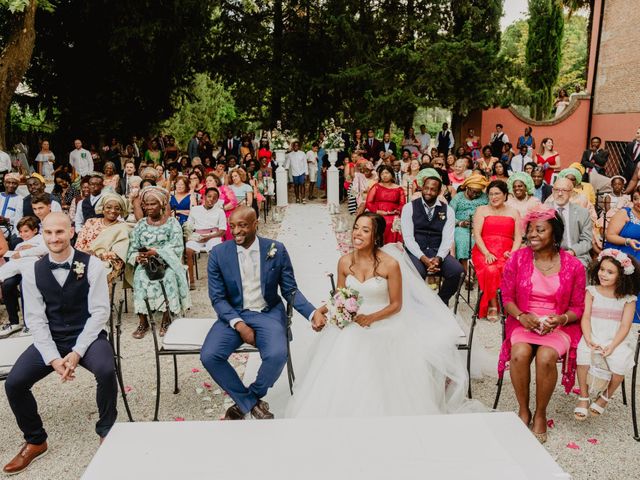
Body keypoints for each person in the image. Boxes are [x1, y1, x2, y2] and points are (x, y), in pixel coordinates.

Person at [286, 212, 478, 418]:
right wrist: (321, 311)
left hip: (384, 320)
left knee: (368, 347)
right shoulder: (344, 262)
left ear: (376, 236)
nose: (357, 233)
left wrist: (371, 318)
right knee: (346, 343)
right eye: (356, 228)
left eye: (365, 230)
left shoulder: (390, 264)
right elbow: (340, 296)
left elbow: (396, 304)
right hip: (353, 320)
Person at [2, 213, 115, 475]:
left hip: (86, 334)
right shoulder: (32, 271)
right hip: (51, 337)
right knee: (15, 383)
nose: (54, 238)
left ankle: (107, 431)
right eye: (49, 233)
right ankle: (35, 440)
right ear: (43, 234)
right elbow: (35, 320)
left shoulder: (93, 265)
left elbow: (99, 313)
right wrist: (53, 359)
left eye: (60, 232)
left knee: (107, 371)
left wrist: (76, 353)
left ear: (71, 231)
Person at [200, 206, 326, 420]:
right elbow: (218, 298)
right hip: (233, 314)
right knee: (210, 356)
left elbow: (290, 289)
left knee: (277, 354)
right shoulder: (219, 254)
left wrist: (313, 313)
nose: (236, 231)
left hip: (267, 313)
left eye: (243, 225)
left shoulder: (276, 249)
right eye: (232, 226)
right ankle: (251, 403)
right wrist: (240, 325)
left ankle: (250, 398)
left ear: (255, 224)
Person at [499, 205, 585, 444]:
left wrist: (559, 319)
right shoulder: (518, 259)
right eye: (530, 230)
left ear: (555, 234)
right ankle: (524, 409)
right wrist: (522, 316)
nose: (532, 235)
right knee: (519, 352)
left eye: (540, 230)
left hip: (558, 325)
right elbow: (506, 298)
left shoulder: (574, 266)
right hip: (523, 320)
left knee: (547, 357)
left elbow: (577, 308)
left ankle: (540, 413)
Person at [574, 249, 640, 420]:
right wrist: (588, 338)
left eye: (610, 272)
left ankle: (605, 396)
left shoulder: (628, 298)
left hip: (616, 339)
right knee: (583, 354)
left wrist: (612, 346)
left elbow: (625, 326)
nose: (603, 274)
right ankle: (584, 395)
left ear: (622, 276)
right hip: (593, 334)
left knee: (620, 362)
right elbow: (586, 317)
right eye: (602, 269)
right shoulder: (592, 291)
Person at [127, 187, 191, 339]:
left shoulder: (172, 223)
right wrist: (138, 257)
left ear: (162, 204)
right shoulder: (141, 224)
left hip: (167, 263)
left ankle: (166, 319)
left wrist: (157, 252)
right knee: (140, 276)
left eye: (153, 204)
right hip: (146, 264)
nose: (148, 208)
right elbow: (133, 247)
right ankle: (143, 321)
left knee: (168, 277)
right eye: (146, 205)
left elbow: (176, 247)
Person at [400, 170, 463, 306]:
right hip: (416, 252)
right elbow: (408, 238)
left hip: (437, 251)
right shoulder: (409, 208)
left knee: (457, 271)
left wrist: (438, 258)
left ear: (439, 192)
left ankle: (440, 302)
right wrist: (423, 258)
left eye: (433, 189)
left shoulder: (448, 210)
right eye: (426, 188)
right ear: (422, 187)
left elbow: (447, 239)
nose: (428, 192)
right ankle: (417, 304)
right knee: (417, 272)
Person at [472, 180, 522, 321]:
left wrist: (512, 253)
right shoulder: (481, 210)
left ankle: (508, 304)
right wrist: (486, 253)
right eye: (491, 194)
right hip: (484, 250)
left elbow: (518, 237)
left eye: (497, 194)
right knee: (491, 270)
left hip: (506, 250)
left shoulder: (514, 212)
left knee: (508, 267)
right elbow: (477, 235)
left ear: (505, 195)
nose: (493, 197)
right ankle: (493, 304)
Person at [74, 193, 131, 284]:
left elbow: (119, 252)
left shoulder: (123, 227)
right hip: (84, 258)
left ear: (120, 211)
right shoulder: (90, 222)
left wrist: (97, 255)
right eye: (108, 207)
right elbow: (79, 244)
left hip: (107, 263)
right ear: (103, 209)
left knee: (98, 273)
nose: (112, 211)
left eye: (117, 208)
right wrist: (85, 256)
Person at [184, 187, 226, 289]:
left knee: (215, 250)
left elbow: (222, 231)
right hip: (197, 236)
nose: (211, 199)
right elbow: (189, 226)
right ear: (204, 196)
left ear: (217, 200)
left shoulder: (220, 212)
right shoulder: (195, 209)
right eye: (209, 196)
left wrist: (208, 237)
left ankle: (215, 279)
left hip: (213, 236)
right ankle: (192, 281)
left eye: (215, 198)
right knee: (188, 250)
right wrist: (189, 236)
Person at [547, 177, 593, 268]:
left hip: (576, 255)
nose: (560, 194)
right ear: (552, 191)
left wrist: (572, 252)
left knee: (578, 269)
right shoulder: (543, 210)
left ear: (571, 192)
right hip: (549, 255)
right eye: (557, 190)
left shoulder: (582, 213)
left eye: (564, 190)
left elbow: (587, 240)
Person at [449, 174, 488, 275]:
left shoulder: (484, 198)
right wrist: (460, 222)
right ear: (467, 187)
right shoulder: (458, 197)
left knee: (481, 241)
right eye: (473, 192)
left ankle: (476, 271)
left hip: (480, 227)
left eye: (478, 193)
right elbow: (449, 215)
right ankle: (466, 273)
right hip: (460, 226)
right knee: (462, 240)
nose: (475, 195)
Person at [365, 165, 405, 244]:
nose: (384, 175)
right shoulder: (376, 187)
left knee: (394, 222)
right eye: (382, 174)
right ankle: (378, 246)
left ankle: (392, 247)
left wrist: (396, 211)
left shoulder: (399, 189)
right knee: (379, 221)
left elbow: (402, 204)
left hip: (394, 214)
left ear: (392, 175)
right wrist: (378, 211)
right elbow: (368, 202)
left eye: (387, 173)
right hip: (378, 213)